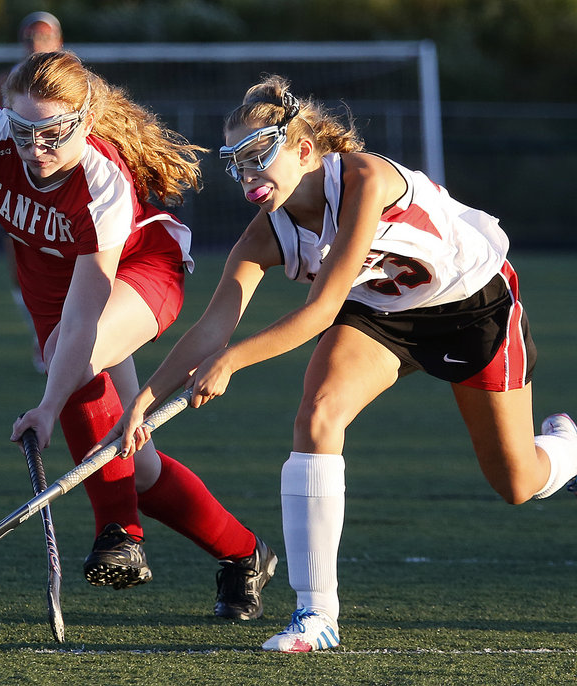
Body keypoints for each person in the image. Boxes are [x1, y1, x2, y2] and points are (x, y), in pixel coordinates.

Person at [97, 74, 577, 652]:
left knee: (518, 482)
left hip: (472, 306)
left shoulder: (365, 179)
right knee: (318, 416)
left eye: (258, 156)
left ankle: (568, 447)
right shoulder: (263, 234)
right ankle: (315, 615)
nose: (248, 174)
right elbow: (212, 326)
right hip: (380, 311)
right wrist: (143, 405)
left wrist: (233, 363)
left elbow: (321, 309)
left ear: (303, 150)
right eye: (237, 162)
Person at [0, 51, 278, 621]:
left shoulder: (102, 184)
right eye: (23, 130)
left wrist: (48, 407)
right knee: (141, 468)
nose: (35, 147)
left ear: (84, 119)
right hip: (52, 281)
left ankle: (118, 533)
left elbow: (82, 322)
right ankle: (246, 554)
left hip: (144, 266)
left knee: (67, 357)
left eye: (53, 133)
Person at [0, 11, 65, 373]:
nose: (36, 43)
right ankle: (41, 336)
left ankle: (67, 337)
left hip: (64, 186)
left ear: (58, 42)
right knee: (18, 263)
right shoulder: (6, 82)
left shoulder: (75, 81)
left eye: (44, 36)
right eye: (30, 37)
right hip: (19, 186)